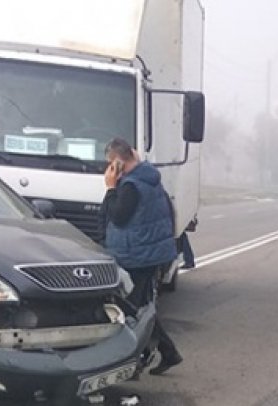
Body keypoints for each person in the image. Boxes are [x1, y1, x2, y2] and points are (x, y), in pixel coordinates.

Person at [100, 138, 183, 375]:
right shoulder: (148, 177)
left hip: (137, 255)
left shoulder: (129, 186)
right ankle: (166, 353)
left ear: (117, 162)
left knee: (132, 310)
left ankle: (135, 362)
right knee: (139, 308)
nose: (108, 169)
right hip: (148, 253)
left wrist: (110, 187)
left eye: (110, 164)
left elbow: (117, 216)